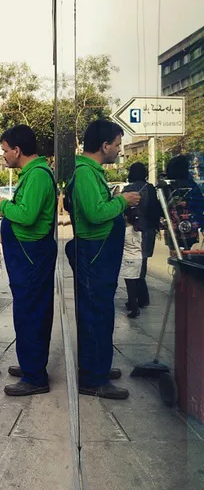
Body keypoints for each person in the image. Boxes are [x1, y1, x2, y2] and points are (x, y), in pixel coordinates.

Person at [65, 120, 140, 400]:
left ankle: (99, 367)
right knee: (96, 314)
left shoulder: (91, 172)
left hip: (100, 255)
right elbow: (96, 214)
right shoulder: (85, 173)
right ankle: (93, 379)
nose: (119, 150)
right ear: (105, 145)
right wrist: (122, 201)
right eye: (118, 145)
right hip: (93, 255)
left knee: (102, 313)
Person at [0, 124, 57, 397]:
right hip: (27, 257)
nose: (3, 155)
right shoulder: (31, 174)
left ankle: (35, 376)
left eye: (4, 150)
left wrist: (2, 205)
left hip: (32, 257)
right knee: (28, 312)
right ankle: (31, 365)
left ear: (17, 150)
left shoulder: (38, 175)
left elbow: (27, 216)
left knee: (32, 314)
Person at [123, 162, 161, 308]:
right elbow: (155, 209)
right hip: (148, 230)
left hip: (133, 230)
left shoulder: (127, 189)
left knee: (132, 263)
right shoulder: (150, 188)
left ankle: (134, 297)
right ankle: (143, 297)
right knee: (143, 262)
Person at [162, 154, 204, 252]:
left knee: (175, 256)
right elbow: (200, 207)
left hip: (173, 230)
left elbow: (162, 208)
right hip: (191, 230)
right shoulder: (192, 186)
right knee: (190, 256)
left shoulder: (166, 187)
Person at [120, 208, 143, 318]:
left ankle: (134, 308)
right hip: (138, 258)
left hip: (128, 259)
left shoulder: (124, 232)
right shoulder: (137, 229)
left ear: (125, 217)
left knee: (130, 286)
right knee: (135, 283)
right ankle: (131, 304)